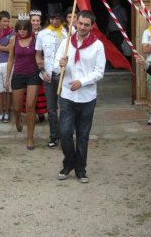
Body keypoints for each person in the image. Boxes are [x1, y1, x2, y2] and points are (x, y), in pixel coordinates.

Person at [55, 10, 106, 183]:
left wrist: (82, 82)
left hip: (87, 97)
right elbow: (55, 66)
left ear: (91, 26)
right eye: (80, 23)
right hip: (67, 95)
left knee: (83, 135)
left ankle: (81, 169)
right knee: (65, 132)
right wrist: (59, 64)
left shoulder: (98, 45)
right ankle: (69, 161)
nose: (82, 27)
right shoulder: (66, 42)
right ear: (76, 23)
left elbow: (99, 71)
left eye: (86, 24)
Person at [5, 16, 42, 150]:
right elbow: (10, 60)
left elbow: (40, 54)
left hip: (33, 75)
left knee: (30, 106)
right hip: (18, 75)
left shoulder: (36, 39)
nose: (21, 32)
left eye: (24, 29)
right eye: (19, 29)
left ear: (29, 29)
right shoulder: (13, 40)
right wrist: (7, 78)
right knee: (16, 108)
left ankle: (30, 138)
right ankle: (17, 118)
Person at [36, 3, 68, 148]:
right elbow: (38, 55)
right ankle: (54, 136)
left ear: (61, 18)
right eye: (52, 18)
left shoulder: (68, 32)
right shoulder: (42, 34)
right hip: (48, 75)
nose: (55, 21)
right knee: (51, 108)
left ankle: (65, 134)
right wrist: (42, 71)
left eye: (57, 18)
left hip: (64, 75)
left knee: (65, 107)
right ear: (49, 19)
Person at [27, 9, 47, 122]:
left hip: (41, 64)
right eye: (33, 20)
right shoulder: (26, 33)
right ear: (30, 21)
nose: (35, 22)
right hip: (30, 64)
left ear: (40, 22)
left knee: (41, 90)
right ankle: (32, 111)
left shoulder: (44, 33)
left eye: (37, 20)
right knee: (31, 90)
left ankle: (41, 112)